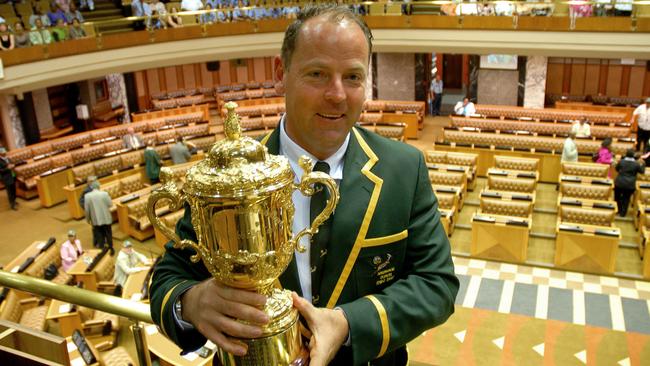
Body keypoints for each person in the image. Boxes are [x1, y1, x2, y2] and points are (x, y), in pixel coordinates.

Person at [150, 5, 458, 366]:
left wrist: (348, 323)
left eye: (353, 77)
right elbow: (169, 278)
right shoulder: (227, 176)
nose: (338, 95)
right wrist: (192, 302)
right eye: (317, 74)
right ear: (282, 74)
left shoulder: (404, 168)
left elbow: (437, 284)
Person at [614, 149, 645, 217]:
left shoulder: (621, 161)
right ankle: (623, 213)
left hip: (619, 182)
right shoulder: (636, 164)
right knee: (626, 198)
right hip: (630, 184)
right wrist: (642, 164)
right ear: (633, 155)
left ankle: (618, 210)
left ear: (626, 154)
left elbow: (616, 169)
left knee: (617, 197)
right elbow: (642, 171)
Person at [83, 181, 113, 251]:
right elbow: (110, 204)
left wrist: (88, 219)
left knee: (99, 236)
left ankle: (102, 250)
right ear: (98, 186)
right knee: (108, 234)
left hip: (95, 220)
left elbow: (87, 210)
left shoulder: (87, 196)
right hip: (106, 218)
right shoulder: (105, 194)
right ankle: (111, 248)